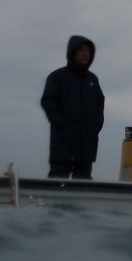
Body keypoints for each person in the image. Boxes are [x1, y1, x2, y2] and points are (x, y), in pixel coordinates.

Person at [41, 35, 105, 178]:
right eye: (81, 50)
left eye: (88, 51)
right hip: (63, 145)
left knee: (83, 190)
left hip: (86, 147)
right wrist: (60, 124)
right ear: (72, 52)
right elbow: (48, 101)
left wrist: (95, 126)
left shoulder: (92, 80)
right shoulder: (57, 77)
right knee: (57, 186)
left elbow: (99, 104)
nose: (85, 54)